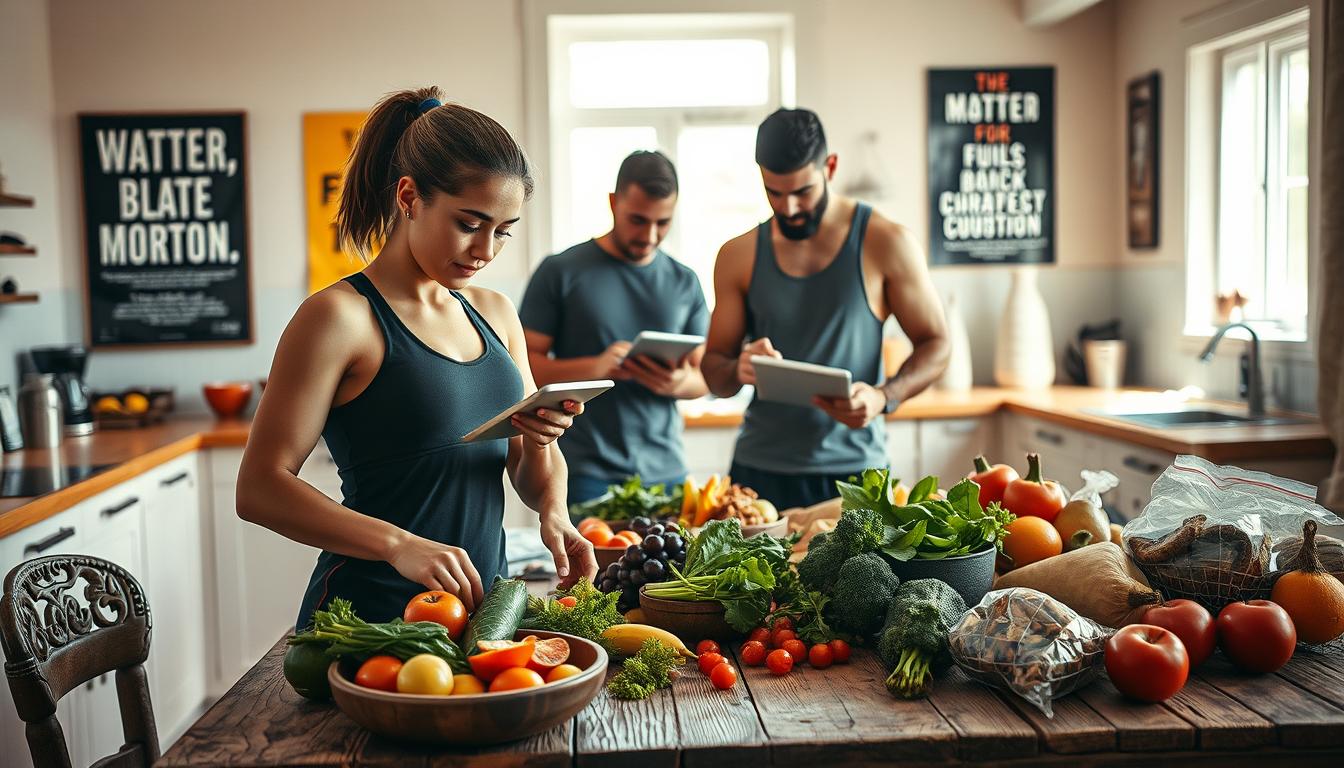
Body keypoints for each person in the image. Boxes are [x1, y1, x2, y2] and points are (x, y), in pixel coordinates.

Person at [236, 87, 597, 630]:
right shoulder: (340, 317)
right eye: (469, 223)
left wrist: (554, 508)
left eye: (503, 232)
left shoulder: (495, 313)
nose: (486, 250)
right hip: (369, 622)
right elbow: (260, 487)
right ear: (408, 197)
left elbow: (522, 461)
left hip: (482, 618)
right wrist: (398, 545)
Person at [701, 108, 950, 510]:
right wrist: (737, 368)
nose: (790, 209)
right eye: (774, 193)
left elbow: (937, 343)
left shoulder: (886, 242)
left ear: (830, 167)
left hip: (856, 473)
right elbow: (714, 370)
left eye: (803, 192)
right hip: (759, 471)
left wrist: (884, 396)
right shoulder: (737, 255)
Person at [521, 150, 709, 504]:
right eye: (637, 220)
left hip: (668, 474)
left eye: (663, 222)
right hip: (587, 474)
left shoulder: (685, 281)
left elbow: (704, 376)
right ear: (613, 203)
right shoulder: (560, 271)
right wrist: (595, 368)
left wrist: (677, 383)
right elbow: (522, 365)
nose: (650, 235)